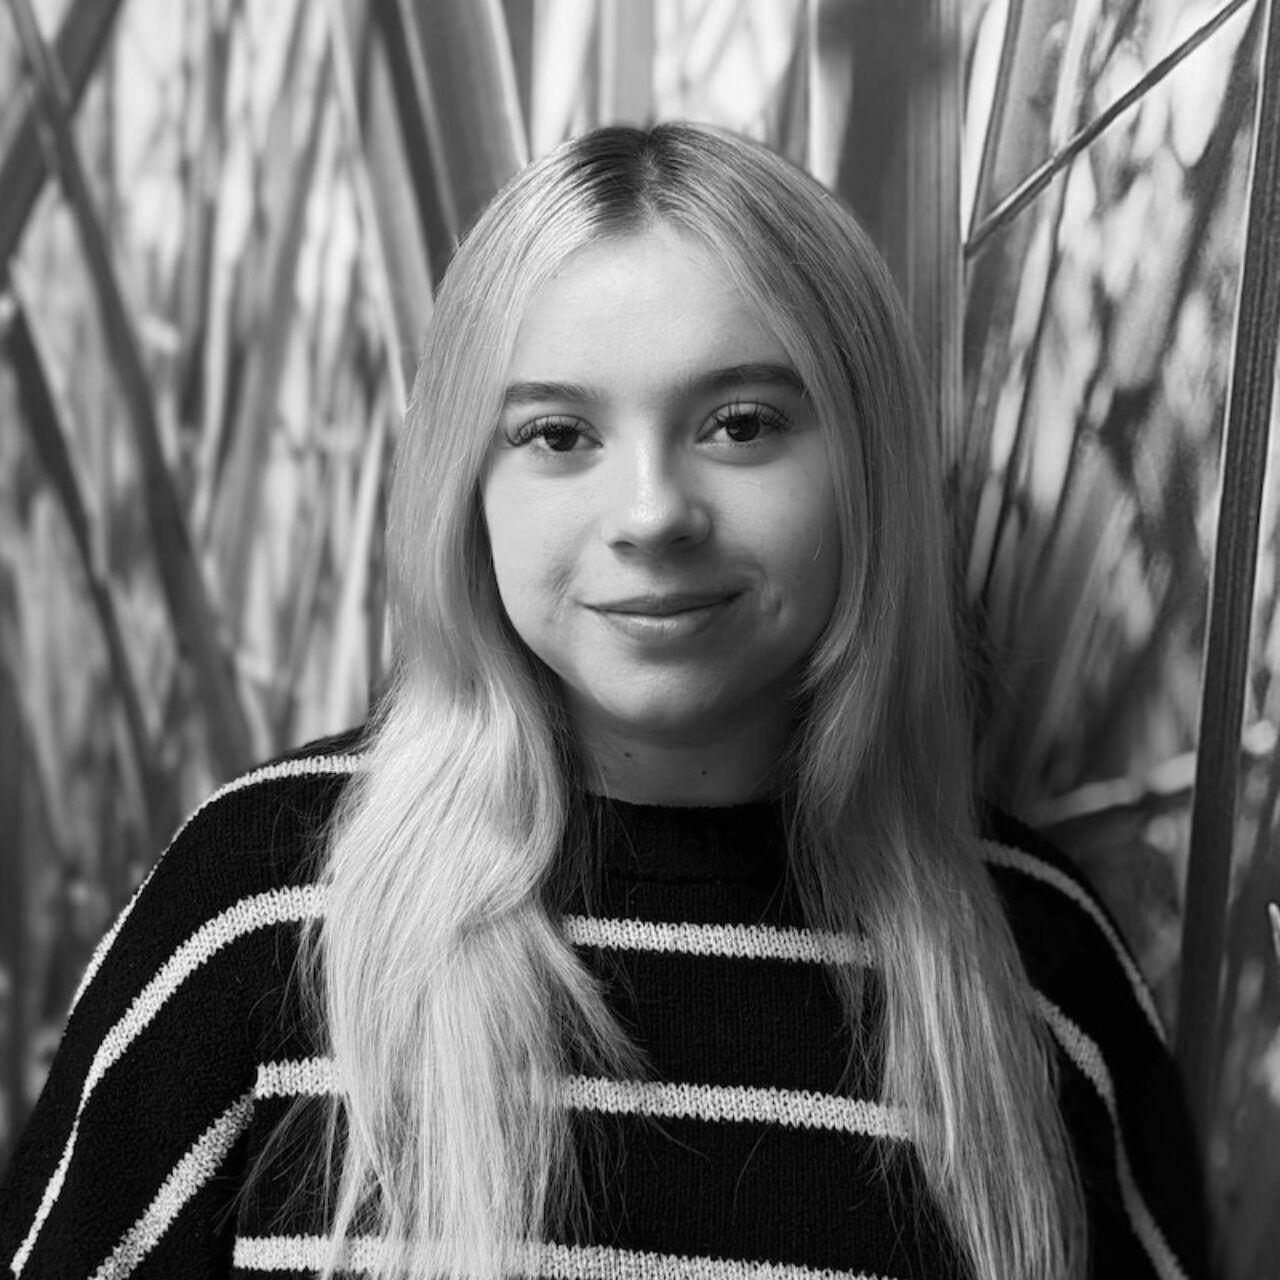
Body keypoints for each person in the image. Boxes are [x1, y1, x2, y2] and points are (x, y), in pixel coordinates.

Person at [0, 122, 1207, 1280]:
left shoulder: (1038, 972)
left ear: (867, 466)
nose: (649, 513)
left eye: (740, 423)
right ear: (465, 486)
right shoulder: (260, 909)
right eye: (557, 433)